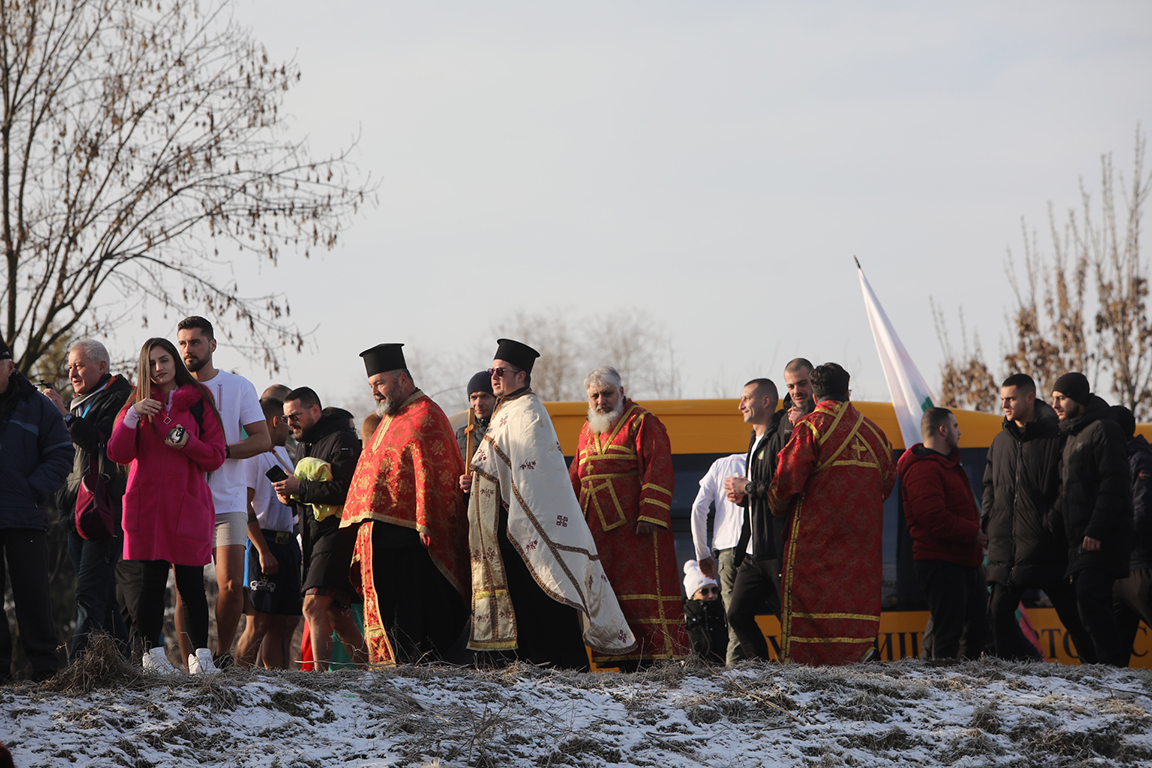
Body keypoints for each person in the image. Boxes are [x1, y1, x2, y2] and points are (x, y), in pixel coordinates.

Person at [464, 339, 636, 669]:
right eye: (492, 371)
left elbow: (536, 477)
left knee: (544, 600)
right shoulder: (505, 412)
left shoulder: (528, 412)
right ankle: (530, 664)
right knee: (524, 604)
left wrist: (518, 510)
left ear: (522, 376)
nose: (494, 377)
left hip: (530, 527)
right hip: (508, 525)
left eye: (500, 372)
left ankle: (564, 668)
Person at [340, 344, 469, 665]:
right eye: (371, 386)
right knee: (391, 615)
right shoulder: (387, 421)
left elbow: (436, 477)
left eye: (380, 384)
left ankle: (422, 665)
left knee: (416, 612)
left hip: (414, 541)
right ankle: (395, 667)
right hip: (378, 541)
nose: (375, 392)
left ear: (402, 379)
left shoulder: (427, 416)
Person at [107, 337, 226, 674]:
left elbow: (216, 456)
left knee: (191, 585)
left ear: (175, 361)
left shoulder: (199, 402)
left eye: (164, 360)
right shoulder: (135, 405)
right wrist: (132, 416)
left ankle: (201, 659)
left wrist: (186, 441)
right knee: (151, 584)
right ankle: (153, 658)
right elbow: (118, 453)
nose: (159, 369)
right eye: (151, 364)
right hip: (146, 506)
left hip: (188, 504)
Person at [767, 362, 896, 666]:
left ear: (815, 395)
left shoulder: (809, 428)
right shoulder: (875, 433)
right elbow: (887, 482)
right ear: (847, 391)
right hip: (861, 547)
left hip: (815, 543)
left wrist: (775, 504)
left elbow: (785, 483)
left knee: (810, 606)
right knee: (854, 603)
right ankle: (859, 658)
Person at [570, 366, 688, 669]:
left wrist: (651, 512)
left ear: (621, 392)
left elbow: (659, 467)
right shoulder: (587, 430)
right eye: (594, 395)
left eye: (607, 393)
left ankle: (654, 661)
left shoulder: (644, 423)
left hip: (637, 533)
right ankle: (619, 657)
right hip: (598, 534)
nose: (601, 401)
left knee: (642, 598)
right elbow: (575, 477)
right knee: (610, 599)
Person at [176, 316, 270, 669]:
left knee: (230, 585)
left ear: (212, 345)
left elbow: (261, 439)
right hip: (185, 500)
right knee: (187, 588)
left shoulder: (238, 387)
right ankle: (192, 661)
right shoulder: (170, 389)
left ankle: (223, 654)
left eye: (195, 342)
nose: (188, 350)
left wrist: (220, 452)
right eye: (183, 343)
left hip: (229, 498)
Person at [982, 373, 1093, 662]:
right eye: (1003, 398)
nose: (1004, 404)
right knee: (998, 613)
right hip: (1008, 548)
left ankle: (1101, 670)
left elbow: (1068, 486)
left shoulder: (1058, 436)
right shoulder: (999, 441)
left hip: (1047, 545)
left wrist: (1050, 524)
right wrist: (989, 521)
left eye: (1011, 398)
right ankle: (1013, 674)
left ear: (1030, 398)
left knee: (1075, 617)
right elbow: (989, 486)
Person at [42, 339, 133, 660]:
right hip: (72, 508)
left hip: (101, 508)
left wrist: (65, 415)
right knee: (104, 597)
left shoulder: (121, 398)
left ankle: (76, 666)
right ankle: (128, 662)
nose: (72, 373)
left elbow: (104, 443)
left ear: (102, 367)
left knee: (87, 592)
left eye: (79, 365)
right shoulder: (78, 403)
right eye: (69, 367)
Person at [274, 386, 366, 670]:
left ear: (315, 410)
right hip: (314, 537)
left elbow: (344, 490)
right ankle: (372, 673)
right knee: (338, 615)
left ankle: (319, 679)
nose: (290, 423)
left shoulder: (343, 439)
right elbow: (311, 497)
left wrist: (300, 486)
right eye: (287, 418)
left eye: (295, 416)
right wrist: (291, 495)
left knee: (312, 606)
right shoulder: (304, 445)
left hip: (338, 535)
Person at [0, 339, 74, 681]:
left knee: (33, 595)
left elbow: (61, 453)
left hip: (25, 515)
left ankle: (45, 670)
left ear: (9, 365)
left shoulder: (38, 406)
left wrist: (33, 489)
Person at [1051, 372, 1133, 667]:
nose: (1055, 404)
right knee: (1087, 605)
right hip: (1079, 541)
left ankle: (1110, 670)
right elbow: (1067, 489)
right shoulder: (1072, 435)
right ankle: (1104, 668)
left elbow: (1115, 485)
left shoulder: (1104, 429)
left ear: (1078, 399)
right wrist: (1051, 520)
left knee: (1090, 599)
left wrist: (1097, 530)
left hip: (1101, 538)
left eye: (1061, 398)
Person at [897, 408, 988, 660]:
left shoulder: (945, 465)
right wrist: (974, 533)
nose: (960, 431)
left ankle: (969, 690)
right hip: (942, 563)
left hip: (964, 562)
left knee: (974, 634)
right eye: (955, 426)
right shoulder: (924, 468)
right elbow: (933, 518)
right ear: (943, 430)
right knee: (948, 639)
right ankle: (949, 692)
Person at [235, 397, 302, 669]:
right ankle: (236, 681)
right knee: (259, 621)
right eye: (287, 420)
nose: (289, 426)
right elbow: (244, 503)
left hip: (287, 544)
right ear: (277, 421)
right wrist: (262, 550)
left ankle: (276, 684)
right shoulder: (254, 454)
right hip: (264, 542)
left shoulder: (282, 452)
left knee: (282, 621)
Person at [722, 378, 785, 661]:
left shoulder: (782, 435)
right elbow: (761, 491)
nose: (740, 405)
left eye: (746, 398)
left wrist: (746, 487)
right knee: (737, 614)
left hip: (774, 549)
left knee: (791, 621)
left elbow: (779, 488)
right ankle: (763, 672)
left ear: (766, 401)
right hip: (751, 551)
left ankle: (805, 676)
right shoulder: (754, 438)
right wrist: (742, 497)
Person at [690, 452, 747, 665]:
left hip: (728, 551)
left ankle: (738, 678)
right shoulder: (769, 458)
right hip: (762, 550)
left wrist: (702, 554)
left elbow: (698, 508)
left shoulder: (720, 465)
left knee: (735, 621)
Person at [1110, 405, 1152, 665]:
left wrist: (1119, 546)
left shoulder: (1139, 460)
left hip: (1139, 566)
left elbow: (1143, 512)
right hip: (1122, 567)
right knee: (1114, 650)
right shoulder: (1120, 458)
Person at [682, 560, 727, 664]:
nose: (711, 595)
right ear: (692, 595)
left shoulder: (725, 613)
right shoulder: (683, 618)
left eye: (714, 590)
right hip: (693, 676)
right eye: (704, 591)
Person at [456, 371, 495, 463]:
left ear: (496, 398)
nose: (478, 403)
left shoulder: (506, 429)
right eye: (474, 397)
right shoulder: (462, 435)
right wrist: (460, 477)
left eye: (485, 396)